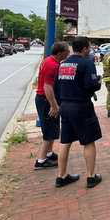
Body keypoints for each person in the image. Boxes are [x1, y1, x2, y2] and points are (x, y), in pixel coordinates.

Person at [56, 37, 103, 188]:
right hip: (81, 106)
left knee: (65, 141)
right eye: (88, 47)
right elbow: (91, 85)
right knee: (89, 141)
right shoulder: (87, 63)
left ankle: (61, 176)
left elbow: (60, 84)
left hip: (65, 105)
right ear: (84, 48)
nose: (89, 50)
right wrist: (98, 83)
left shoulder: (63, 64)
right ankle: (91, 177)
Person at [34, 42, 70, 170]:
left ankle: (49, 153)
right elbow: (47, 87)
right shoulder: (52, 65)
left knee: (53, 128)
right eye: (67, 51)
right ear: (60, 52)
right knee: (49, 130)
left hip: (45, 100)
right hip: (46, 100)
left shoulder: (50, 61)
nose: (69, 53)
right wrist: (54, 105)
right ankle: (41, 160)